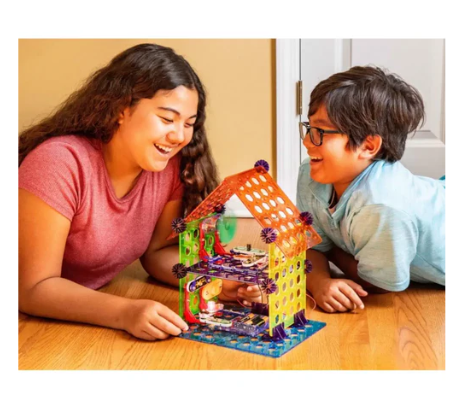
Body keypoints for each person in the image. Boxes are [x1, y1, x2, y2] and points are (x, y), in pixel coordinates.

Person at [18, 43, 262, 340]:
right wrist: (125, 312)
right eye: (167, 119)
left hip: (77, 323)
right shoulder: (58, 163)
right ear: (122, 108)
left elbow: (156, 253)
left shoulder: (169, 169)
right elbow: (33, 288)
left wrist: (213, 281)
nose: (179, 136)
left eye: (189, 124)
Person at [296, 66, 445, 313]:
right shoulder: (311, 174)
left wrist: (329, 249)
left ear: (368, 146)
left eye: (320, 132)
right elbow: (310, 246)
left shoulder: (383, 207)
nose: (306, 141)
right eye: (309, 128)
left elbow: (379, 283)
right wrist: (319, 282)